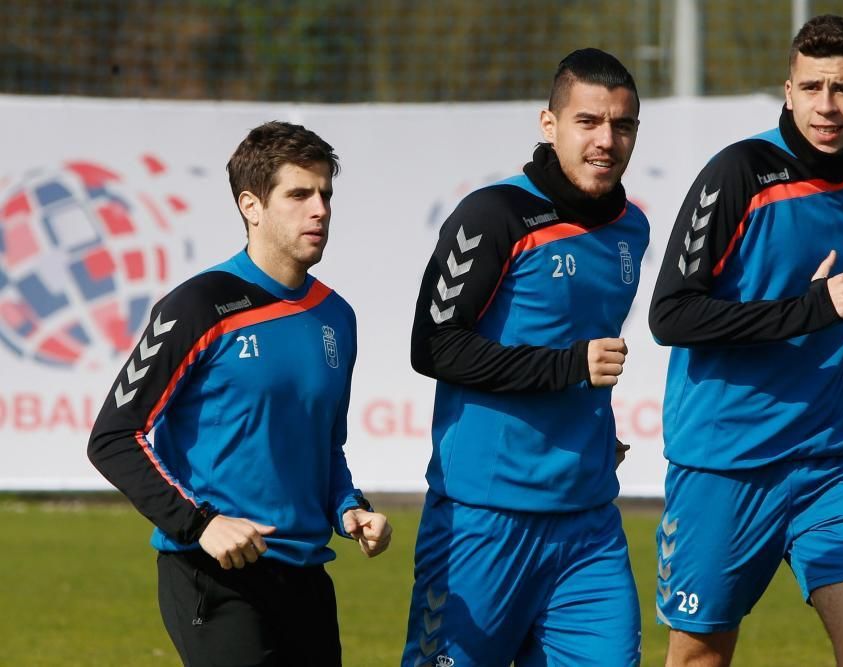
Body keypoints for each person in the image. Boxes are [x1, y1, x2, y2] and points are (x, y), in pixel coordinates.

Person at [649, 14, 843, 667]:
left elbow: (830, 298)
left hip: (824, 465)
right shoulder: (738, 173)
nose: (827, 105)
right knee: (700, 657)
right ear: (787, 91)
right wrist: (807, 311)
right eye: (812, 87)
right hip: (724, 463)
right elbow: (671, 316)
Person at [88, 121, 392, 667]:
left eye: (325, 193)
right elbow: (114, 437)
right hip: (214, 578)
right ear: (251, 206)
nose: (319, 209)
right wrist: (201, 524)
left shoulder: (337, 317)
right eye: (299, 194)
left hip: (307, 577)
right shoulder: (198, 305)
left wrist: (349, 508)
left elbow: (324, 447)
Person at [401, 48, 648, 666]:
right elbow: (433, 345)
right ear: (550, 125)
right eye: (587, 122)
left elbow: (585, 344)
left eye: (621, 125)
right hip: (484, 519)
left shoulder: (631, 228)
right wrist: (567, 369)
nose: (605, 141)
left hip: (588, 522)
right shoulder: (494, 214)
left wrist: (590, 429)